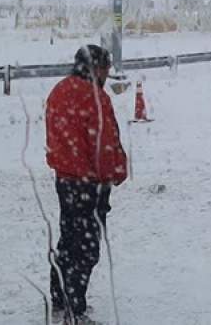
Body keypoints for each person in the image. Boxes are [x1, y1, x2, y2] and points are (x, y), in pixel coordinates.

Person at [46, 45, 128, 324]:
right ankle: (74, 306)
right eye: (105, 67)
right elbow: (103, 145)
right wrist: (116, 172)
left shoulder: (59, 90)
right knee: (87, 248)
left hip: (65, 179)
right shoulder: (95, 97)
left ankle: (59, 296)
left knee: (68, 239)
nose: (107, 73)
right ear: (97, 68)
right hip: (90, 184)